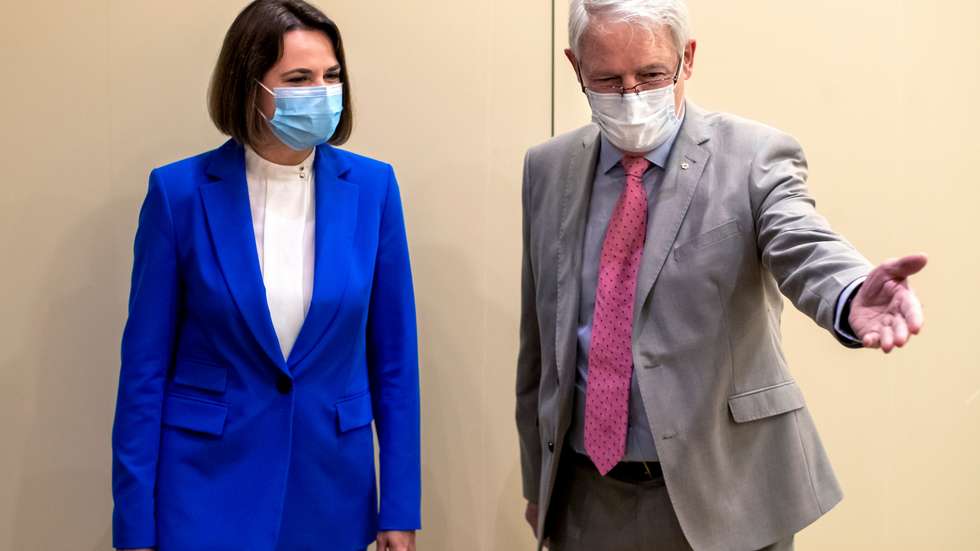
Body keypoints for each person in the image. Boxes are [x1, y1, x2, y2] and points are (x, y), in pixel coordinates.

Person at [515, 1, 926, 549]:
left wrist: (849, 293)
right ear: (575, 66)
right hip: (588, 500)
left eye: (651, 75)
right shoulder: (547, 169)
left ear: (687, 58)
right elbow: (539, 346)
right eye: (608, 81)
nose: (632, 97)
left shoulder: (752, 156)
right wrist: (537, 483)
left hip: (727, 496)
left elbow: (801, 240)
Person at [110, 2, 420, 550]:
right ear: (249, 87)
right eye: (298, 79)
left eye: (331, 76)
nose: (321, 92)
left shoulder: (374, 190)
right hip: (204, 490)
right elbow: (143, 372)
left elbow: (395, 364)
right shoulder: (178, 194)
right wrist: (134, 527)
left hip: (331, 490)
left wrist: (399, 506)